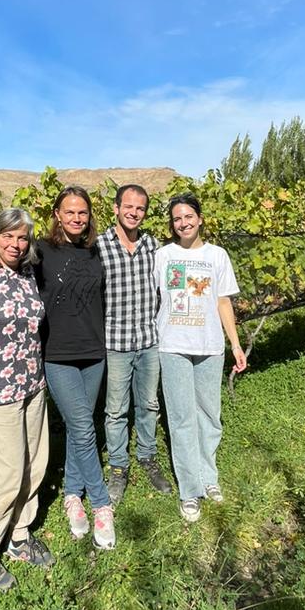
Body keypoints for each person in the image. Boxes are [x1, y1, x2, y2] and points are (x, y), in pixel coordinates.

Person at [0, 207, 55, 591]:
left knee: (35, 464)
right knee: (4, 474)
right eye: (9, 236)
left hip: (32, 384)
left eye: (22, 238)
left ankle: (20, 534)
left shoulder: (26, 276)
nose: (16, 245)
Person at [154, 194, 247, 523]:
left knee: (209, 415)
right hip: (173, 345)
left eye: (189, 216)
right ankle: (190, 490)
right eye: (177, 218)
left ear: (200, 218)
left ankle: (209, 477)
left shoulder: (217, 256)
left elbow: (223, 302)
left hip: (210, 346)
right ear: (172, 224)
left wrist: (235, 344)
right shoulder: (163, 256)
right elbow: (154, 299)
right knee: (180, 419)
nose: (184, 223)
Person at [34, 186, 115, 549]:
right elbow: (5, 259)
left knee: (77, 427)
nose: (77, 219)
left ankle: (71, 494)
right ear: (57, 214)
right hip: (58, 355)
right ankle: (101, 504)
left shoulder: (96, 252)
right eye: (69, 212)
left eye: (82, 213)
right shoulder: (41, 251)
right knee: (84, 427)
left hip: (94, 354)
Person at [96, 184, 172, 505]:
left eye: (140, 209)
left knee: (148, 405)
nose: (134, 213)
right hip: (114, 342)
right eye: (128, 206)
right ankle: (118, 465)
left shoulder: (155, 247)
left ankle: (147, 456)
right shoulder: (98, 246)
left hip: (148, 340)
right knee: (115, 410)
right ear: (116, 208)